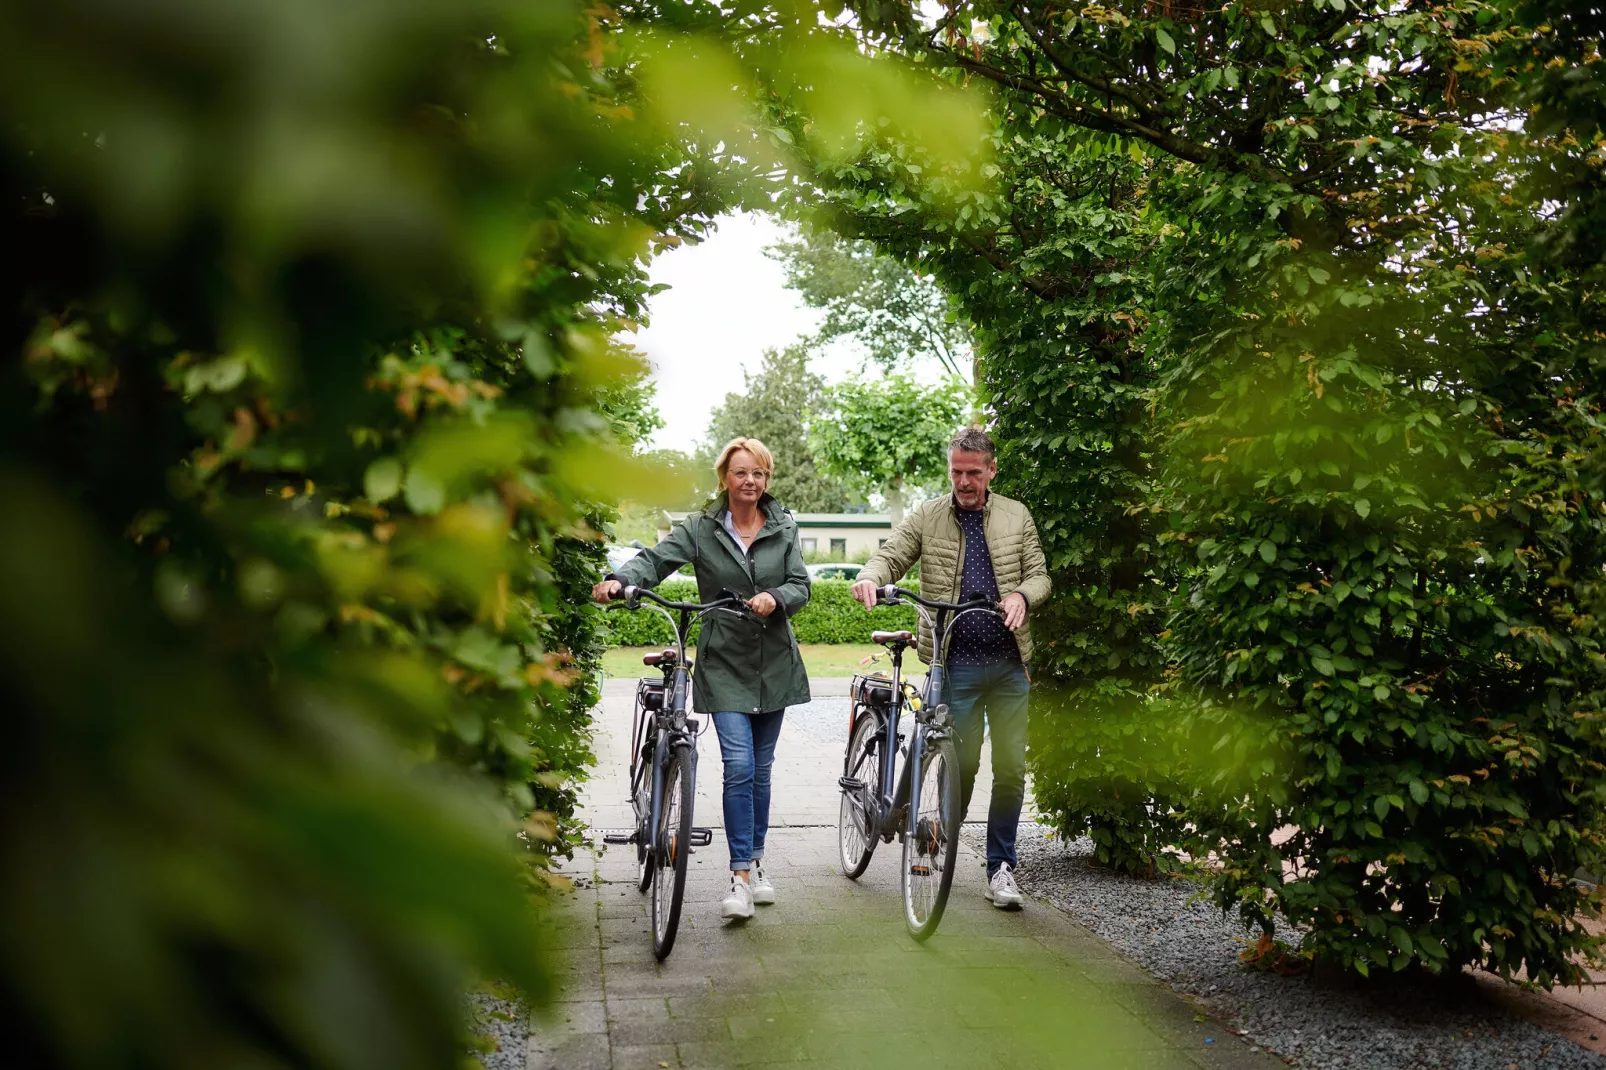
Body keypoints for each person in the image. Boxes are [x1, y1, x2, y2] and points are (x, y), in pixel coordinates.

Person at [593, 438, 811, 921]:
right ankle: (738, 877)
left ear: (767, 479)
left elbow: (801, 584)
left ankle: (756, 862)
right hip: (725, 662)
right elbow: (654, 559)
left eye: (758, 473)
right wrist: (618, 578)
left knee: (761, 768)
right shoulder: (700, 528)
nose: (749, 481)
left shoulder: (783, 526)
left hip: (773, 662)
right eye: (740, 473)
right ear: (724, 478)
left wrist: (776, 597)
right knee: (739, 765)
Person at [852, 428, 1050, 910]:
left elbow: (1040, 574)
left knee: (1010, 768)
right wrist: (869, 577)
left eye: (973, 473)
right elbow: (891, 554)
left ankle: (1000, 868)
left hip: (1007, 665)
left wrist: (1023, 595)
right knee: (958, 762)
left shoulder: (1016, 516)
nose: (964, 481)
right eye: (956, 471)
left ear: (991, 470)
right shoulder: (928, 515)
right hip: (954, 662)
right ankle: (935, 842)